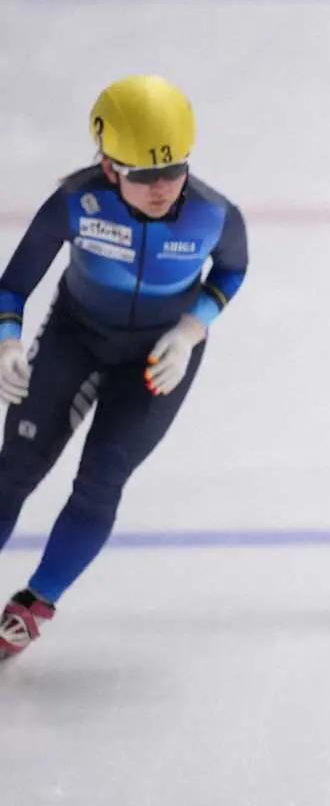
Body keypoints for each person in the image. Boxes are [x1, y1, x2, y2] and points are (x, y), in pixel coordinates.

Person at [0, 75, 248, 660]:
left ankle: (36, 603)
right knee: (14, 470)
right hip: (75, 338)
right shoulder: (75, 204)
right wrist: (8, 342)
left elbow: (231, 272)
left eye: (174, 171)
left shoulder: (215, 215)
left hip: (155, 358)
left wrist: (190, 331)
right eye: (143, 176)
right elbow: (13, 285)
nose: (161, 187)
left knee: (101, 480)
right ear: (110, 168)